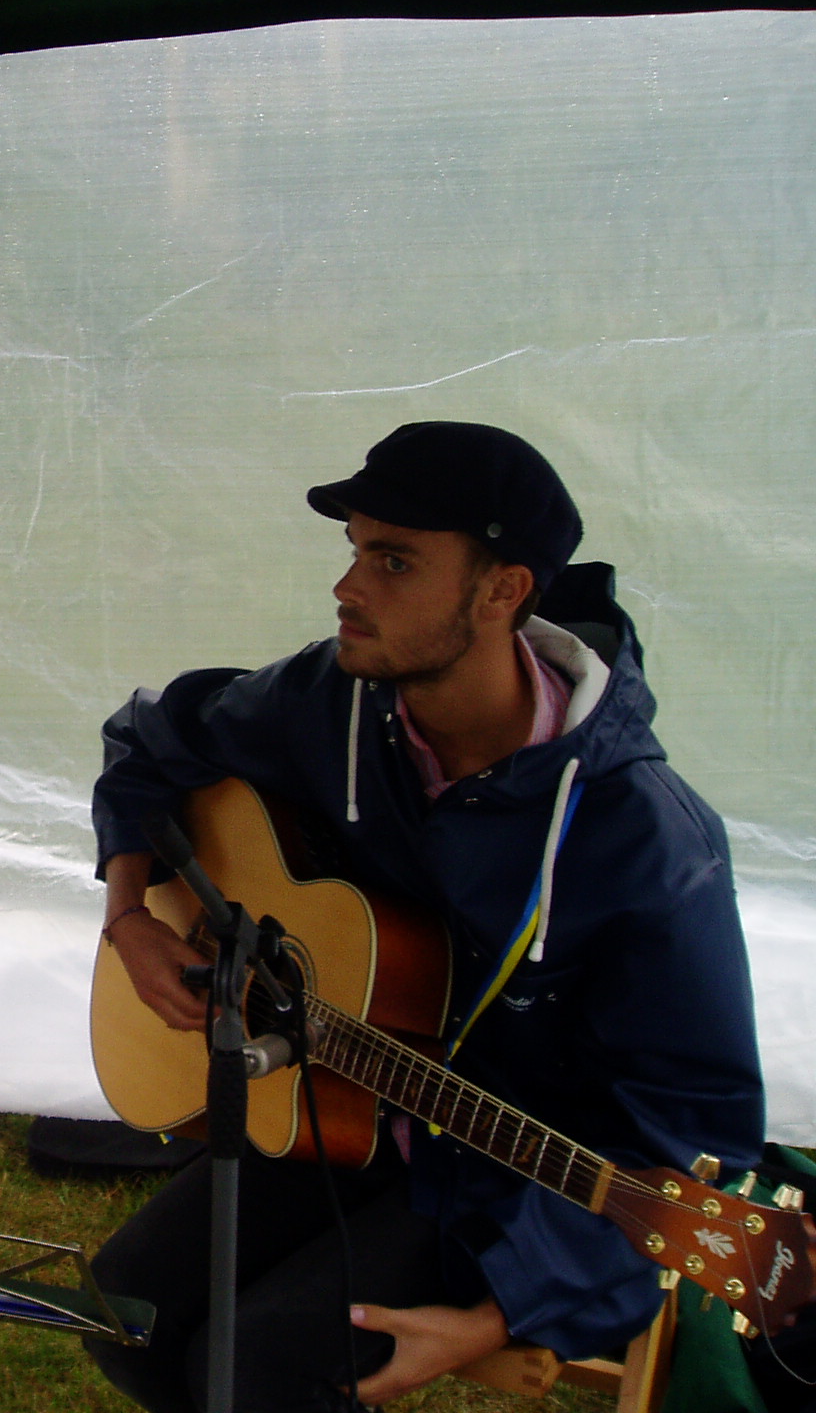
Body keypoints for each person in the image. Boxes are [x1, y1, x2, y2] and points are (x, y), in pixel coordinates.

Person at [85, 422, 763, 1413]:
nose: (347, 587)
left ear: (502, 592)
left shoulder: (649, 845)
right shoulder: (336, 700)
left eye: (393, 562)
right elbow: (151, 743)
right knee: (123, 1314)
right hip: (337, 1104)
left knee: (263, 1367)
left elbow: (692, 1135)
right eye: (355, 551)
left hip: (510, 1189)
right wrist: (127, 918)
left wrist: (492, 1318)